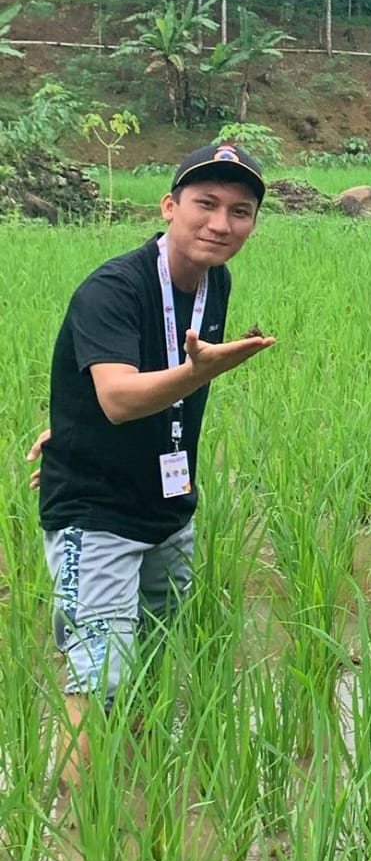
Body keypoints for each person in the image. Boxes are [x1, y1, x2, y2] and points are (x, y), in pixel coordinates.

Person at [34, 143, 275, 785]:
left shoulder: (214, 282)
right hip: (96, 510)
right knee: (102, 672)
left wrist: (68, 422)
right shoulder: (113, 288)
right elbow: (115, 397)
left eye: (240, 210)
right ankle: (82, 834)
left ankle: (133, 799)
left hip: (169, 508)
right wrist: (198, 372)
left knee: (152, 667)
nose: (220, 223)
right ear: (169, 206)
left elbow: (109, 387)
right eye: (205, 204)